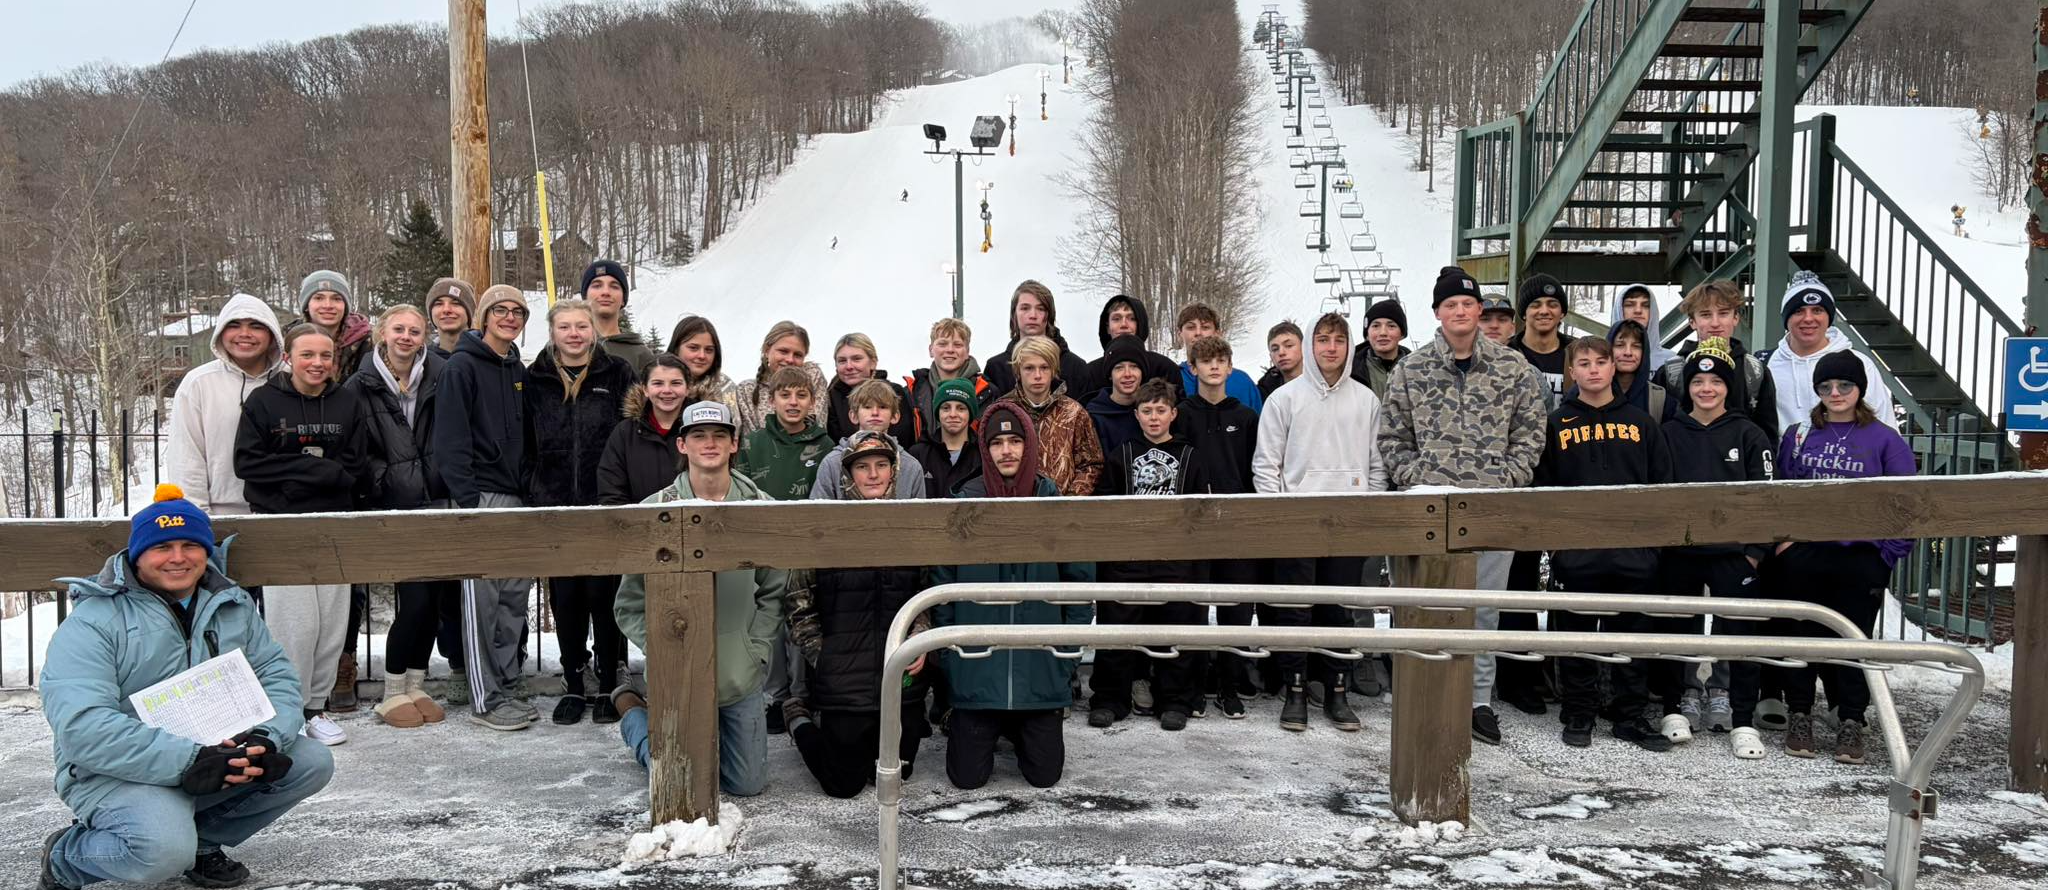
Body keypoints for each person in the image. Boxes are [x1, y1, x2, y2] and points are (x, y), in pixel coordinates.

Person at [37, 486, 334, 890]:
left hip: (215, 752)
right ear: (138, 555)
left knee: (311, 760)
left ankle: (203, 843)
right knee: (160, 850)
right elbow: (82, 729)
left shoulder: (232, 604)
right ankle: (67, 858)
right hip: (117, 771)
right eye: (162, 547)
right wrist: (191, 759)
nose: (178, 558)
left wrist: (267, 738)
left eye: (190, 545)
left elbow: (275, 675)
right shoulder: (92, 622)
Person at [1378, 266, 1547, 746]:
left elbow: (1531, 433)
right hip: (1428, 511)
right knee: (1421, 604)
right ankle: (1420, 693)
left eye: (1467, 304)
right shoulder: (1411, 370)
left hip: (1490, 509)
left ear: (1480, 311)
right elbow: (1392, 437)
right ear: (1437, 312)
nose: (1460, 312)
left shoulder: (1512, 368)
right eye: (1450, 305)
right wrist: (1420, 480)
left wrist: (1508, 478)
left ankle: (1477, 700)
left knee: (1482, 610)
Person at [612, 401, 786, 796]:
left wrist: (755, 650)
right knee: (681, 783)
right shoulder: (653, 511)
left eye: (719, 435)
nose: (710, 444)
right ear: (682, 445)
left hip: (738, 673)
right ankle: (635, 716)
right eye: (699, 436)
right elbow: (628, 603)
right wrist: (663, 647)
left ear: (734, 444)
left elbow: (775, 592)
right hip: (679, 674)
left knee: (747, 785)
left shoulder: (762, 509)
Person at [932, 403, 1094, 789]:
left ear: (1030, 445)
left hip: (1039, 676)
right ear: (985, 450)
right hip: (977, 677)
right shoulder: (963, 506)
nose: (1006, 450)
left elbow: (1079, 587)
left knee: (1044, 776)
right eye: (997, 443)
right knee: (967, 779)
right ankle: (977, 726)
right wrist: (953, 663)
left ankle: (1022, 728)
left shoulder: (1052, 504)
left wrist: (1064, 661)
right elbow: (941, 591)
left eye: (1016, 441)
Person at [1770, 351, 1914, 764]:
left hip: (1859, 557)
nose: (1835, 393)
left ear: (1859, 389)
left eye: (1844, 386)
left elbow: (1909, 503)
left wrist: (1886, 555)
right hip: (1806, 554)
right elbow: (1780, 494)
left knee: (1852, 640)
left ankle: (1851, 719)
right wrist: (1785, 544)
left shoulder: (1885, 439)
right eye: (1826, 386)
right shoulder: (1799, 435)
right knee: (1800, 637)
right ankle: (1800, 713)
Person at [232, 324, 368, 749]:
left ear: (335, 360)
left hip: (333, 525)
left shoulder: (346, 402)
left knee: (331, 622)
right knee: (295, 624)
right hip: (280, 525)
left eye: (325, 356)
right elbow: (249, 466)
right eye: (307, 355)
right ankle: (287, 709)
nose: (317, 363)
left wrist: (306, 473)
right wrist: (312, 473)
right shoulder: (264, 402)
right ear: (289, 357)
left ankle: (316, 707)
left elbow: (354, 467)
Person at [1534, 337, 1673, 752]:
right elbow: (1543, 489)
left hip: (1634, 556)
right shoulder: (1556, 424)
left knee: (1631, 638)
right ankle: (1579, 711)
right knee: (1577, 637)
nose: (1593, 369)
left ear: (1615, 367)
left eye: (1601, 361)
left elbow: (1663, 487)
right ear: (1571, 372)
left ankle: (1629, 715)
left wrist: (1653, 549)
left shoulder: (1643, 423)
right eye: (1584, 363)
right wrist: (1555, 547)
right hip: (1577, 555)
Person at [779, 432, 933, 797]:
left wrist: (922, 635)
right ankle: (797, 716)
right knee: (842, 784)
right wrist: (825, 655)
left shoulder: (913, 527)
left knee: (896, 774)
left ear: (893, 471)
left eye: (881, 465)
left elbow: (928, 593)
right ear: (848, 473)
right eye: (863, 467)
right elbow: (797, 603)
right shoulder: (824, 528)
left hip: (899, 679)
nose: (873, 475)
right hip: (845, 681)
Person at [1254, 313, 1387, 732]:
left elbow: (1377, 465)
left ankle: (1337, 691)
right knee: (1295, 612)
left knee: (1339, 611)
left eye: (1339, 340)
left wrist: (1367, 510)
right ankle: (1295, 690)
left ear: (1349, 347)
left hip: (1347, 522)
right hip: (1297, 522)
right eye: (1323, 340)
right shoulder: (1285, 399)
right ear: (1310, 345)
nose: (1331, 348)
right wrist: (1279, 520)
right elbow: (1266, 466)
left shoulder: (1366, 400)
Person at [1655, 338, 1777, 751]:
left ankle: (1741, 716)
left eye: (1716, 381)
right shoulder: (1670, 432)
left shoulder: (1748, 432)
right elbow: (1658, 492)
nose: (1706, 389)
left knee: (1737, 632)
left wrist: (1755, 551)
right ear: (1686, 387)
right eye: (1698, 381)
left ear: (1729, 387)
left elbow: (1766, 495)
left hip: (1733, 553)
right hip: (1681, 552)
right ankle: (1676, 703)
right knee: (1677, 629)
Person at [432, 284, 539, 731]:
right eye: (501, 310)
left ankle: (508, 680)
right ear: (485, 316)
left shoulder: (518, 368)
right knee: (482, 598)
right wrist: (468, 499)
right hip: (482, 495)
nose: (510, 317)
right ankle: (485, 696)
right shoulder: (461, 366)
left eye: (518, 312)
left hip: (517, 497)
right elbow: (451, 439)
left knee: (514, 597)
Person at [526, 300, 636, 725]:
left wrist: (619, 491)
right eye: (565, 327)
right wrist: (534, 485)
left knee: (605, 595)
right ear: (553, 333)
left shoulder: (618, 374)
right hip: (554, 505)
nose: (574, 334)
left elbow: (629, 433)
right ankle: (574, 681)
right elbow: (524, 439)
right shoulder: (534, 379)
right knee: (566, 597)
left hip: (603, 501)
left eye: (581, 326)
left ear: (594, 331)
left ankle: (609, 682)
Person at [345, 305, 454, 729]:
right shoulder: (361, 383)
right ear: (382, 333)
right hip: (392, 503)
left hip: (437, 499)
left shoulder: (441, 374)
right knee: (413, 599)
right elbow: (355, 450)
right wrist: (384, 478)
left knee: (434, 598)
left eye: (415, 330)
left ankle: (416, 681)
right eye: (399, 329)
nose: (407, 337)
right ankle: (392, 690)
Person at [1088, 379, 1212, 731]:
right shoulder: (1122, 454)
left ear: (1173, 413)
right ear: (1136, 414)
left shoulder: (1191, 457)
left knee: (1176, 631)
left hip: (1176, 562)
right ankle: (1111, 698)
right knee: (1117, 634)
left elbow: (1201, 513)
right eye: (1146, 411)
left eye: (1160, 410)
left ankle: (1175, 700)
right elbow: (1104, 506)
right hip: (1127, 561)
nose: (1154, 418)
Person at [1173, 334, 1261, 719]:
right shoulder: (1182, 414)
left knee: (1235, 608)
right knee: (1191, 607)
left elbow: (1256, 471)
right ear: (1192, 369)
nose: (1213, 366)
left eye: (1219, 360)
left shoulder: (1244, 417)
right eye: (1204, 361)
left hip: (1235, 526)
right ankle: (1192, 688)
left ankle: (1230, 684)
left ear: (1229, 367)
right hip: (1192, 528)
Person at [166, 293, 285, 517]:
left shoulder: (291, 380)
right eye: (234, 325)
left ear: (271, 333)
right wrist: (199, 518)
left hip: (283, 513)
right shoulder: (199, 383)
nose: (245, 334)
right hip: (220, 515)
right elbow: (186, 458)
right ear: (221, 333)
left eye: (256, 326)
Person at [1765, 271, 1895, 433]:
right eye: (1798, 311)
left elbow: (1885, 425)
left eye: (1817, 310)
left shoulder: (1859, 363)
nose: (1808, 318)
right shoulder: (1766, 364)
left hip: (1845, 457)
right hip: (1783, 458)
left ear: (1829, 317)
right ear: (1786, 318)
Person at [1657, 279, 1780, 440]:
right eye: (1706, 315)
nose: (1715, 323)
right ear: (1692, 322)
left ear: (1735, 318)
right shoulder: (1671, 372)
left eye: (1723, 313)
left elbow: (1768, 437)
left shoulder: (1754, 371)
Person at [991, 335, 1103, 496]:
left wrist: (1070, 500)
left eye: (1044, 367)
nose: (1037, 375)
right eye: (1029, 368)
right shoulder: (1002, 411)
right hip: (1013, 509)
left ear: (1054, 371)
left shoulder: (1074, 412)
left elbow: (1091, 464)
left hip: (1062, 511)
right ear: (1018, 371)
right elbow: (988, 463)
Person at [599, 355, 692, 507]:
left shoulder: (701, 431)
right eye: (658, 383)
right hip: (639, 526)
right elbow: (611, 492)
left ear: (687, 388)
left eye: (676, 383)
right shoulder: (625, 433)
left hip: (694, 522)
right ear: (645, 389)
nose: (667, 390)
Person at [809, 380, 928, 499]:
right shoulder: (832, 462)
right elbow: (817, 513)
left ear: (895, 416)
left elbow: (920, 515)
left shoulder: (911, 466)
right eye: (867, 407)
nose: (875, 413)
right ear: (853, 416)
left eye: (882, 407)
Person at [738, 364, 836, 501]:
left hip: (810, 521)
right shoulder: (751, 443)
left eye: (801, 396)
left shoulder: (826, 445)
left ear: (812, 402)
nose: (793, 402)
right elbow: (740, 496)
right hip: (761, 520)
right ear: (772, 401)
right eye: (785, 395)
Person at [981, 280, 1089, 397]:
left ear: (1050, 315)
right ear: (1014, 314)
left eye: (1041, 309)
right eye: (1025, 308)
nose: (1033, 315)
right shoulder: (996, 368)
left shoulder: (1076, 367)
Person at [733, 321, 832, 436]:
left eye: (798, 355)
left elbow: (816, 427)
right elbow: (750, 440)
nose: (790, 359)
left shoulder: (812, 377)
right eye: (783, 351)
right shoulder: (747, 390)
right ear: (766, 350)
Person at [1076, 294, 1179, 404]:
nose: (1124, 324)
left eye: (1132, 318)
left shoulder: (1164, 368)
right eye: (1116, 319)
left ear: (1140, 324)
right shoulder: (1091, 373)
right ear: (1107, 328)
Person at [905, 318, 991, 441]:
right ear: (931, 350)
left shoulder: (987, 392)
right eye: (942, 344)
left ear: (967, 351)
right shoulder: (912, 392)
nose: (950, 350)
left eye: (957, 345)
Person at [826, 333, 917, 443]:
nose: (849, 366)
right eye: (842, 361)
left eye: (856, 359)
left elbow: (903, 438)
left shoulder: (893, 392)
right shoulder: (831, 397)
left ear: (873, 363)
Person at [1174, 304, 1265, 412]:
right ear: (1179, 334)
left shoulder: (1241, 382)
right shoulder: (1174, 378)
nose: (1198, 333)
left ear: (1217, 333)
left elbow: (1258, 425)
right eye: (1191, 327)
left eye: (1205, 327)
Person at [907, 378, 984, 497]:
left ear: (970, 413)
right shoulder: (918, 454)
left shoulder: (983, 455)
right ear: (938, 412)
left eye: (961, 408)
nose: (953, 414)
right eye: (946, 408)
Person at [580, 259, 656, 375]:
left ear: (623, 299)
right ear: (585, 297)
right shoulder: (568, 346)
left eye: (614, 286)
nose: (605, 292)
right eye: (597, 286)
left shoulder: (641, 355)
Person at [1509, 273, 1575, 403]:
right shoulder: (1506, 353)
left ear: (1562, 312)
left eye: (1552, 304)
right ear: (1523, 313)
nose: (1544, 311)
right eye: (1535, 305)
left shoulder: (1578, 353)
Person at [296, 271, 373, 381]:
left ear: (345, 306)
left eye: (336, 299)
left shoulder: (367, 343)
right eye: (319, 298)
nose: (328, 305)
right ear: (306, 305)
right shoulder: (288, 340)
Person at [664, 315, 741, 417]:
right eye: (693, 348)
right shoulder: (657, 385)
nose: (702, 356)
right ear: (676, 348)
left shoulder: (724, 386)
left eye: (709, 350)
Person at [1084, 335, 1148, 455]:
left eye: (1134, 367)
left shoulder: (1154, 412)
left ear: (1142, 372)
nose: (1127, 374)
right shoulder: (1093, 417)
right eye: (1119, 368)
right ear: (1110, 374)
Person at [1612, 283, 1678, 371]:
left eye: (1645, 305)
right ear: (1619, 309)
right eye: (1630, 304)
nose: (1638, 310)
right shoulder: (1600, 359)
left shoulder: (1672, 361)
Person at [1350, 298, 1410, 395]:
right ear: (1367, 335)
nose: (1383, 333)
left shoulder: (1417, 368)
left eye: (1391, 326)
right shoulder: (1349, 371)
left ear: (1402, 334)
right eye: (1376, 326)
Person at [425, 277, 476, 358]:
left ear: (469, 312)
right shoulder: (420, 362)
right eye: (439, 304)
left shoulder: (488, 356)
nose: (446, 310)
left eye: (455, 303)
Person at [1257, 320, 1304, 399]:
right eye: (1275, 349)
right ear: (1270, 356)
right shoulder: (1263, 393)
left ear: (1304, 347)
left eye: (1289, 345)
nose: (1281, 352)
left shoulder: (1324, 381)